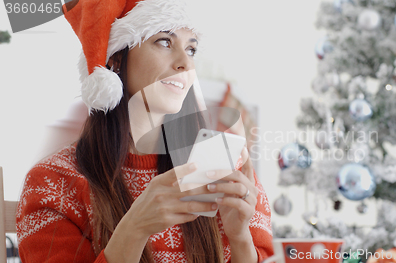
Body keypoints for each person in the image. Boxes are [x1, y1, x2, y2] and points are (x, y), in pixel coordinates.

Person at [15, 0, 273, 262]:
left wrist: (241, 238)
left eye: (192, 48)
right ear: (115, 58)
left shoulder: (226, 167)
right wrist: (135, 228)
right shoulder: (52, 183)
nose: (186, 63)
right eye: (164, 41)